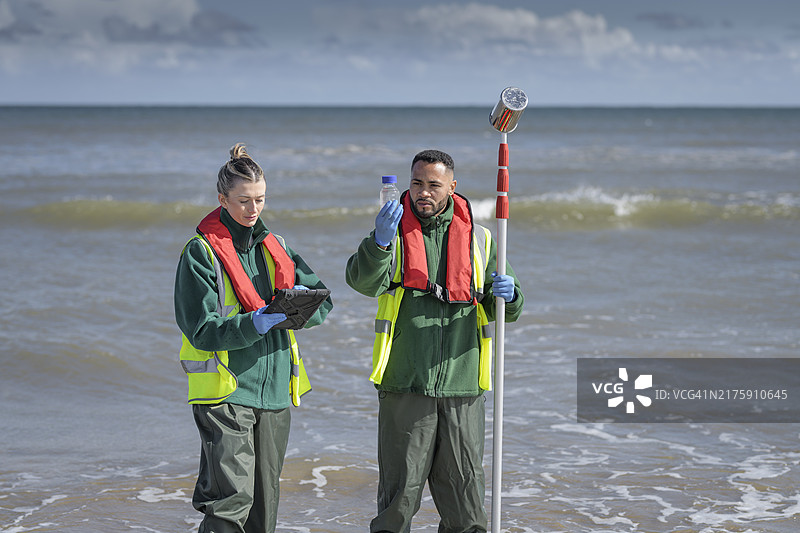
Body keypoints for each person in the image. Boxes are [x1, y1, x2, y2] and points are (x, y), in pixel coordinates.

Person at [345, 149, 524, 533]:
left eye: (433, 186)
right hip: (405, 385)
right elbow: (362, 282)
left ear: (452, 188)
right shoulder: (390, 233)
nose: (423, 193)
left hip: (464, 387)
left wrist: (511, 295)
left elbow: (507, 312)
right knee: (397, 504)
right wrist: (378, 243)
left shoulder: (484, 240)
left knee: (467, 510)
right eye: (416, 184)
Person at [174, 143, 333, 533]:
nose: (253, 209)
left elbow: (324, 304)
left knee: (265, 506)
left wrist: (299, 308)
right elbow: (199, 328)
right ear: (222, 199)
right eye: (244, 200)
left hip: (276, 392)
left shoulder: (278, 247)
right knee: (231, 503)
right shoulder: (200, 254)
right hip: (226, 393)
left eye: (260, 199)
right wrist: (254, 323)